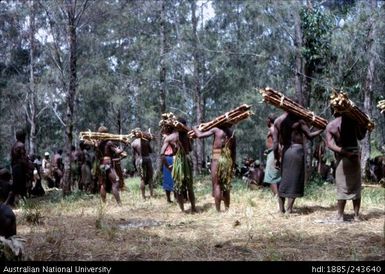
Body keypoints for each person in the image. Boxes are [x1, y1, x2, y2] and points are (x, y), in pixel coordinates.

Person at [273, 112, 323, 214]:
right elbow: (309, 136)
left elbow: (275, 143)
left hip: (285, 151)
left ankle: (282, 209)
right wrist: (321, 130)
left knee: (284, 180)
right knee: (295, 179)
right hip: (297, 151)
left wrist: (276, 158)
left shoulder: (278, 121)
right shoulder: (299, 121)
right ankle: (289, 209)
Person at [325, 109, 367, 222]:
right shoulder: (354, 121)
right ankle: (356, 216)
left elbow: (329, 144)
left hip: (343, 157)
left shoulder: (331, 125)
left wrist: (343, 152)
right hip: (353, 156)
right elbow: (360, 136)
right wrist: (365, 127)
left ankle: (340, 215)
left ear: (334, 111)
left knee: (342, 186)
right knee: (356, 187)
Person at [192, 123, 236, 212]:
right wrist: (232, 166)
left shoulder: (216, 130)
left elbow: (200, 136)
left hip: (217, 155)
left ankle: (218, 210)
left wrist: (194, 128)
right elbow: (234, 152)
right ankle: (227, 209)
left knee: (217, 184)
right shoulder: (231, 133)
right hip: (228, 159)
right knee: (226, 185)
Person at [160, 118, 196, 213]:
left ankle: (182, 210)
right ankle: (193, 208)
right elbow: (190, 149)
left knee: (179, 187)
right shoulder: (188, 136)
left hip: (176, 161)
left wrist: (168, 166)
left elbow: (162, 154)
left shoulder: (170, 137)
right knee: (189, 186)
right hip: (186, 160)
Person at [95, 126, 126, 206]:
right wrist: (125, 146)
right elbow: (118, 152)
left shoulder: (97, 143)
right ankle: (119, 204)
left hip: (101, 164)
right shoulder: (109, 142)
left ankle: (104, 204)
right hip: (108, 163)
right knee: (115, 182)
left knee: (103, 184)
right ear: (106, 133)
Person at [5, 130, 34, 206]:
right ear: (22, 137)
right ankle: (8, 203)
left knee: (16, 186)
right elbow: (23, 159)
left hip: (14, 168)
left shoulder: (14, 145)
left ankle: (18, 202)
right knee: (20, 186)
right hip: (20, 168)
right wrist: (28, 167)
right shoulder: (21, 145)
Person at [131, 129, 154, 200]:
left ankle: (143, 197)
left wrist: (134, 165)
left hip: (139, 160)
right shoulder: (146, 141)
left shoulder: (133, 143)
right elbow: (151, 151)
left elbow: (133, 156)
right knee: (150, 177)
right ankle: (151, 194)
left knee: (142, 179)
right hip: (147, 159)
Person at [263, 115, 281, 196]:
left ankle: (276, 196)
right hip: (272, 153)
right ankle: (277, 195)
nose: (266, 121)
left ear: (269, 120)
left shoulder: (273, 129)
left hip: (273, 153)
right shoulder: (274, 129)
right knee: (273, 176)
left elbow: (276, 142)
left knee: (271, 177)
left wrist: (275, 155)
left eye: (267, 120)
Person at [160, 125, 175, 203]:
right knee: (170, 178)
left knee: (173, 178)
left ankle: (173, 198)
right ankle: (169, 199)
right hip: (169, 158)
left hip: (169, 158)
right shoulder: (169, 137)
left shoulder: (168, 137)